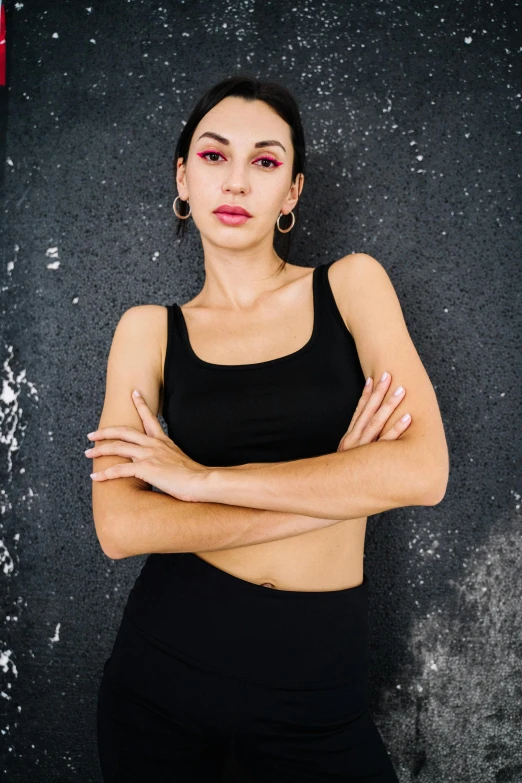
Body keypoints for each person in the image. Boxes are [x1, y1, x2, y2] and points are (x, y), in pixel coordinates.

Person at [89, 75, 449, 782]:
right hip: (163, 679)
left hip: (316, 694)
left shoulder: (352, 286)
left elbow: (424, 473)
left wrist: (200, 483)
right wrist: (337, 488)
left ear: (291, 193)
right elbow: (121, 526)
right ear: (183, 178)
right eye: (215, 155)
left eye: (265, 161)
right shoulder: (147, 331)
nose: (237, 180)